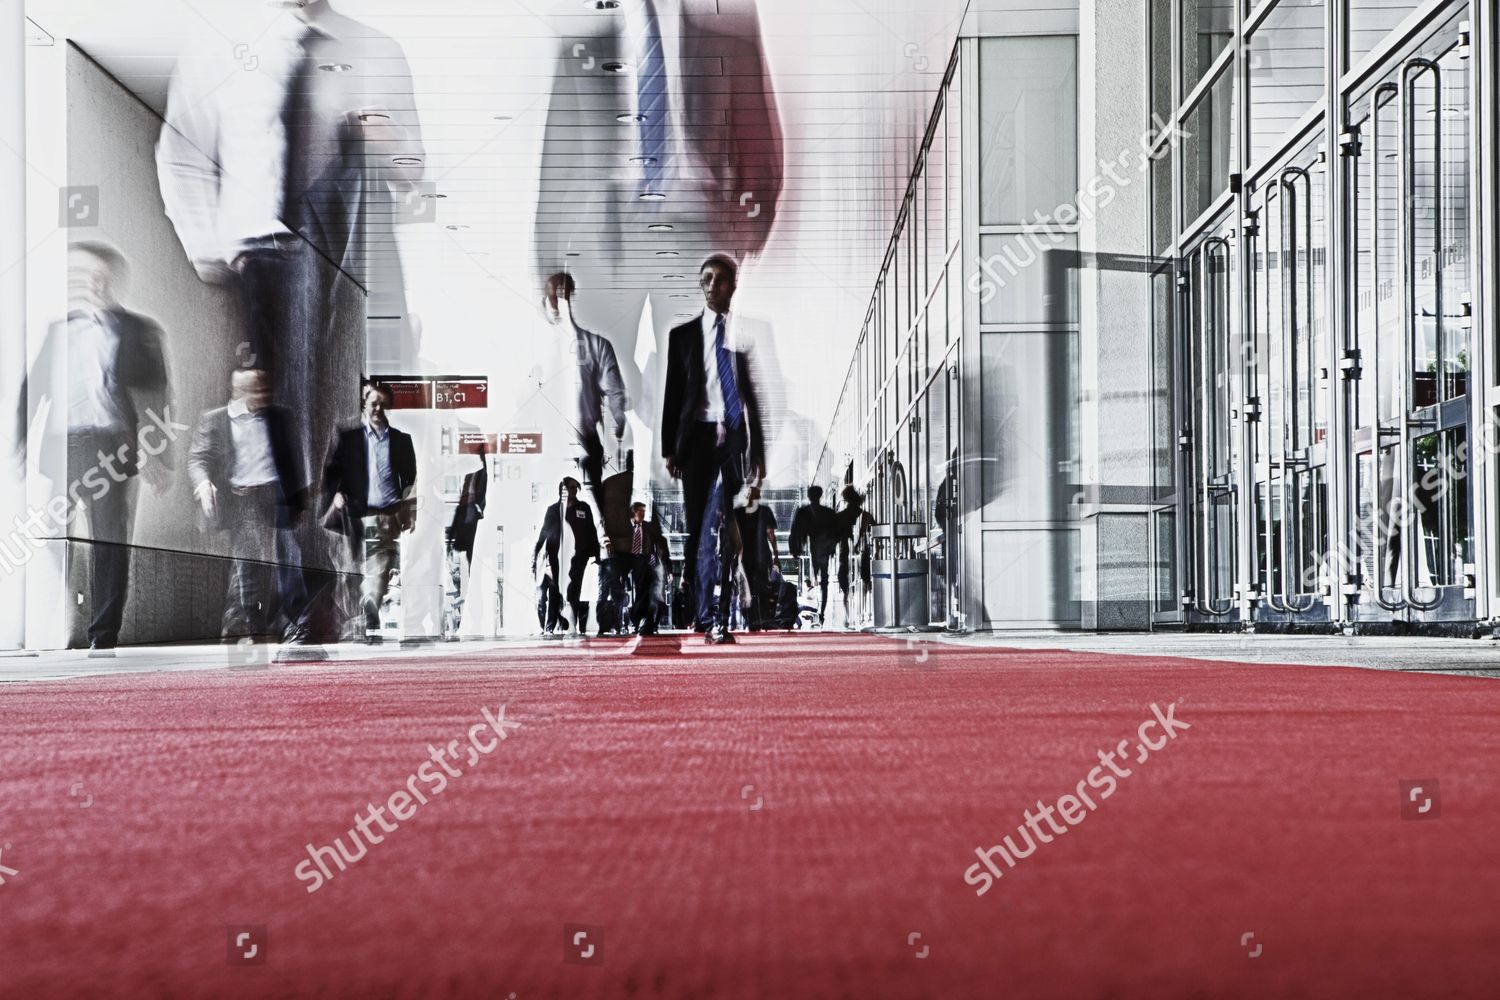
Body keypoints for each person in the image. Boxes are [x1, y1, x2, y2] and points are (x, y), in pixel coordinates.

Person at [156, 0, 426, 478]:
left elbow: (413, 169)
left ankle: (311, 540)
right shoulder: (215, 41)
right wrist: (215, 253)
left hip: (344, 263)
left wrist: (383, 137)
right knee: (274, 429)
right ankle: (295, 541)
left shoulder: (376, 49)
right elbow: (182, 149)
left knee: (326, 421)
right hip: (259, 257)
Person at [534, 0, 783, 484]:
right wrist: (550, 258)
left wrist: (746, 227)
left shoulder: (726, 33)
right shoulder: (581, 45)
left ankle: (682, 478)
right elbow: (557, 162)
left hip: (694, 221)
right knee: (603, 365)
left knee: (691, 372)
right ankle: (609, 467)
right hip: (608, 230)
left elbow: (758, 137)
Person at [14, 242, 173, 650]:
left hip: (111, 449)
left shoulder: (137, 330)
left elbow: (157, 392)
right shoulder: (58, 329)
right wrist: (20, 441)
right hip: (65, 446)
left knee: (108, 542)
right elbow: (31, 387)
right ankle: (64, 619)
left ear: (112, 281)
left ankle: (103, 634)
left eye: (98, 276)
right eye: (81, 276)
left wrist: (158, 453)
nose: (90, 284)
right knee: (53, 536)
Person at [661, 254, 767, 644]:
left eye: (720, 279)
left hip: (734, 442)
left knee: (734, 531)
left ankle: (724, 616)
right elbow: (673, 394)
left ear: (732, 286)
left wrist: (759, 454)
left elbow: (751, 400)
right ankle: (704, 614)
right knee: (698, 532)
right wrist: (668, 448)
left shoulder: (741, 342)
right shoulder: (683, 337)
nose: (712, 285)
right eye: (705, 278)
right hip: (697, 442)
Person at [188, 368, 309, 643]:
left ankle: (292, 623)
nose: (263, 394)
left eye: (265, 388)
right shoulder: (216, 420)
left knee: (288, 559)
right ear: (238, 392)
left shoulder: (280, 417)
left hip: (274, 496)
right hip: (241, 500)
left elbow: (292, 461)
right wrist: (203, 484)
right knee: (247, 566)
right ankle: (250, 626)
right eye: (256, 389)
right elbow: (199, 458)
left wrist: (298, 501)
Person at [322, 382, 418, 643]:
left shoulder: (401, 441)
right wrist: (336, 493)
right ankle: (361, 613)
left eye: (382, 403)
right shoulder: (348, 437)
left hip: (385, 514)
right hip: (353, 514)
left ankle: (369, 611)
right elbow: (331, 471)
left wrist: (410, 511)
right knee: (350, 570)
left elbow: (410, 480)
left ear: (389, 406)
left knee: (379, 567)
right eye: (373, 403)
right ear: (364, 404)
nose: (378, 408)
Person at [532, 478, 601, 636]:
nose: (573, 490)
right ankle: (550, 627)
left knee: (574, 591)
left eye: (575, 487)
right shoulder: (553, 510)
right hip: (557, 556)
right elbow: (544, 532)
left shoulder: (584, 508)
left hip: (578, 557)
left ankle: (572, 626)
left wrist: (596, 553)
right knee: (555, 591)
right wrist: (537, 555)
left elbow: (591, 531)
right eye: (570, 488)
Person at [789, 485, 838, 625]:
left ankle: (821, 611)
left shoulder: (804, 512)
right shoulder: (828, 512)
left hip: (816, 548)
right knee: (824, 580)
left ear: (809, 496)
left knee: (819, 577)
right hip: (824, 548)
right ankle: (822, 611)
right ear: (820, 495)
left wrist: (795, 549)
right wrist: (832, 547)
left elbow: (796, 531)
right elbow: (835, 531)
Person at [733, 485, 778, 630]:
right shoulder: (764, 511)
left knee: (747, 589)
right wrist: (776, 555)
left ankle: (751, 621)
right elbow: (770, 533)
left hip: (747, 557)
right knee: (761, 587)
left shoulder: (738, 512)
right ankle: (761, 619)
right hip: (760, 555)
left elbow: (732, 535)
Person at [625, 502, 673, 635]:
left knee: (650, 594)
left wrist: (667, 570)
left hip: (648, 563)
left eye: (644, 511)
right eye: (640, 511)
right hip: (631, 562)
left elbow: (661, 549)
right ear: (634, 511)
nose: (643, 513)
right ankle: (639, 622)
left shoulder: (648, 527)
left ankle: (648, 623)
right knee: (637, 594)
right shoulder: (627, 527)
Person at [836, 485, 875, 629]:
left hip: (845, 555)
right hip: (863, 555)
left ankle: (849, 619)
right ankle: (863, 615)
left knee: (846, 589)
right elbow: (875, 534)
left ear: (846, 500)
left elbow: (835, 537)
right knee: (864, 583)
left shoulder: (840, 516)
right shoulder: (866, 516)